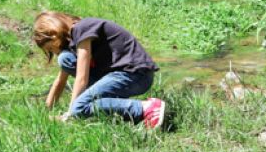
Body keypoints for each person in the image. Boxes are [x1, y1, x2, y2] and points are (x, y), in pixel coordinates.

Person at [32, 11, 166, 129]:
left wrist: (72, 112)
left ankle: (146, 108)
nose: (53, 52)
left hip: (135, 74)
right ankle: (109, 105)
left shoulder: (81, 29)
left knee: (79, 108)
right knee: (65, 58)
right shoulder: (73, 42)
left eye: (50, 48)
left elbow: (82, 78)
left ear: (53, 35)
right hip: (121, 75)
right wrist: (46, 112)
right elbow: (60, 81)